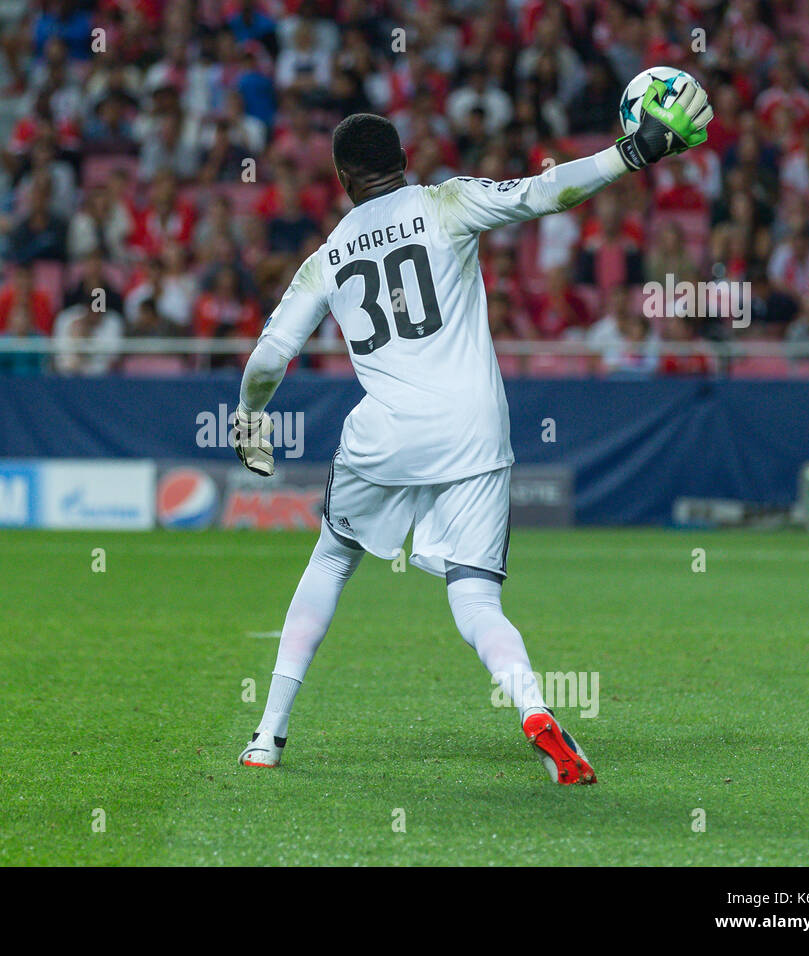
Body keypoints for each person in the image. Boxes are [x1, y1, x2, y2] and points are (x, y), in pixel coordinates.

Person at [232, 88, 712, 784]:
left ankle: (267, 736)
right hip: (475, 427)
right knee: (476, 598)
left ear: (342, 180)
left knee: (332, 560)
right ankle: (535, 710)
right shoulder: (446, 203)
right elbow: (545, 192)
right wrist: (633, 152)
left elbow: (270, 358)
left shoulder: (326, 258)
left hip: (387, 432)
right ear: (404, 161)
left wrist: (251, 418)